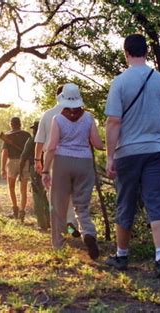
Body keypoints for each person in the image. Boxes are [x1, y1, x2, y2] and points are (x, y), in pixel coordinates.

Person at [104, 34, 160, 279]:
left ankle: (122, 255)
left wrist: (109, 157)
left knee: (125, 201)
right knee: (157, 201)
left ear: (126, 52)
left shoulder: (119, 82)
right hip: (157, 151)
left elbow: (113, 122)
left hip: (128, 152)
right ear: (146, 52)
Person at [41, 83, 104, 259]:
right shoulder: (89, 118)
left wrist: (45, 170)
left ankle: (59, 246)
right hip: (84, 163)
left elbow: (52, 146)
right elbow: (98, 144)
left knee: (58, 206)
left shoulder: (58, 120)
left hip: (62, 162)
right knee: (81, 206)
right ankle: (89, 233)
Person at [34, 86, 85, 238]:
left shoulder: (48, 115)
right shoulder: (80, 114)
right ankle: (72, 223)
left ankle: (64, 225)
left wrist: (37, 160)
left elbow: (40, 140)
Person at [20, 121, 50, 231]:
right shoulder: (49, 138)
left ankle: (42, 224)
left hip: (36, 169)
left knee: (38, 196)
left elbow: (23, 157)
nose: (33, 131)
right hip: (49, 168)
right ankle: (50, 221)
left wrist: (20, 172)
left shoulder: (32, 140)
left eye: (35, 129)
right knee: (46, 196)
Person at [1, 117, 31, 220]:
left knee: (11, 187)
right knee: (23, 189)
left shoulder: (7, 136)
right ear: (20, 124)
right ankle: (22, 211)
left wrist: (3, 168)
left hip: (12, 161)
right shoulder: (27, 135)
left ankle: (15, 210)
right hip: (25, 162)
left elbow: (5, 153)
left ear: (11, 124)